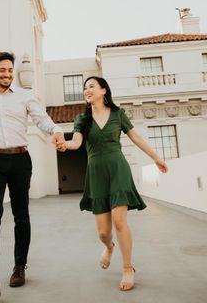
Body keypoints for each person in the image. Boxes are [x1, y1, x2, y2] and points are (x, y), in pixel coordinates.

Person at [0, 51, 64, 298]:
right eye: (2, 70)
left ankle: (19, 267)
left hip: (20, 160)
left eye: (10, 70)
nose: (7, 74)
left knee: (21, 215)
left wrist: (57, 131)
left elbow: (42, 120)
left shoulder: (25, 96)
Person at [56, 76, 168, 291]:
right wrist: (65, 145)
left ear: (103, 90)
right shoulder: (83, 119)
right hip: (97, 174)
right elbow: (77, 141)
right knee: (103, 233)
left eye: (91, 86)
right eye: (84, 88)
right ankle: (109, 247)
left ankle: (128, 268)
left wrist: (156, 158)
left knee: (119, 222)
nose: (87, 90)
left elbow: (136, 138)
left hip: (118, 169)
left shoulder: (118, 114)